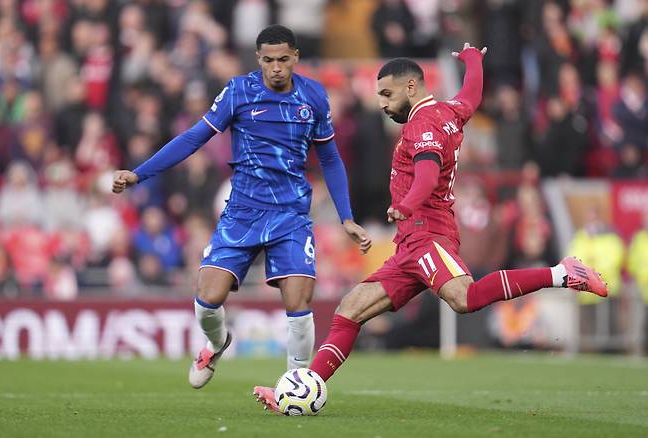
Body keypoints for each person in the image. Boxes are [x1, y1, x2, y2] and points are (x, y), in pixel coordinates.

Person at [253, 43, 608, 412]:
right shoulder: (450, 111)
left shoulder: (423, 124)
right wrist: (473, 60)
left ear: (411, 88)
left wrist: (405, 204)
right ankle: (299, 391)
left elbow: (427, 172)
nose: (382, 104)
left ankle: (562, 273)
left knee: (464, 298)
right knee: (350, 309)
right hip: (410, 242)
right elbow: (471, 95)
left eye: (387, 94)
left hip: (427, 232)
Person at [112, 25, 371, 389]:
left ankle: (295, 386)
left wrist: (346, 217)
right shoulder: (239, 92)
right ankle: (217, 343)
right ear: (258, 59)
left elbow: (329, 158)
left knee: (299, 303)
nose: (276, 67)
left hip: (291, 215)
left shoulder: (313, 96)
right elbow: (193, 138)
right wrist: (139, 175)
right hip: (243, 212)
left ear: (295, 57)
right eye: (269, 60)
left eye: (283, 59)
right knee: (207, 299)